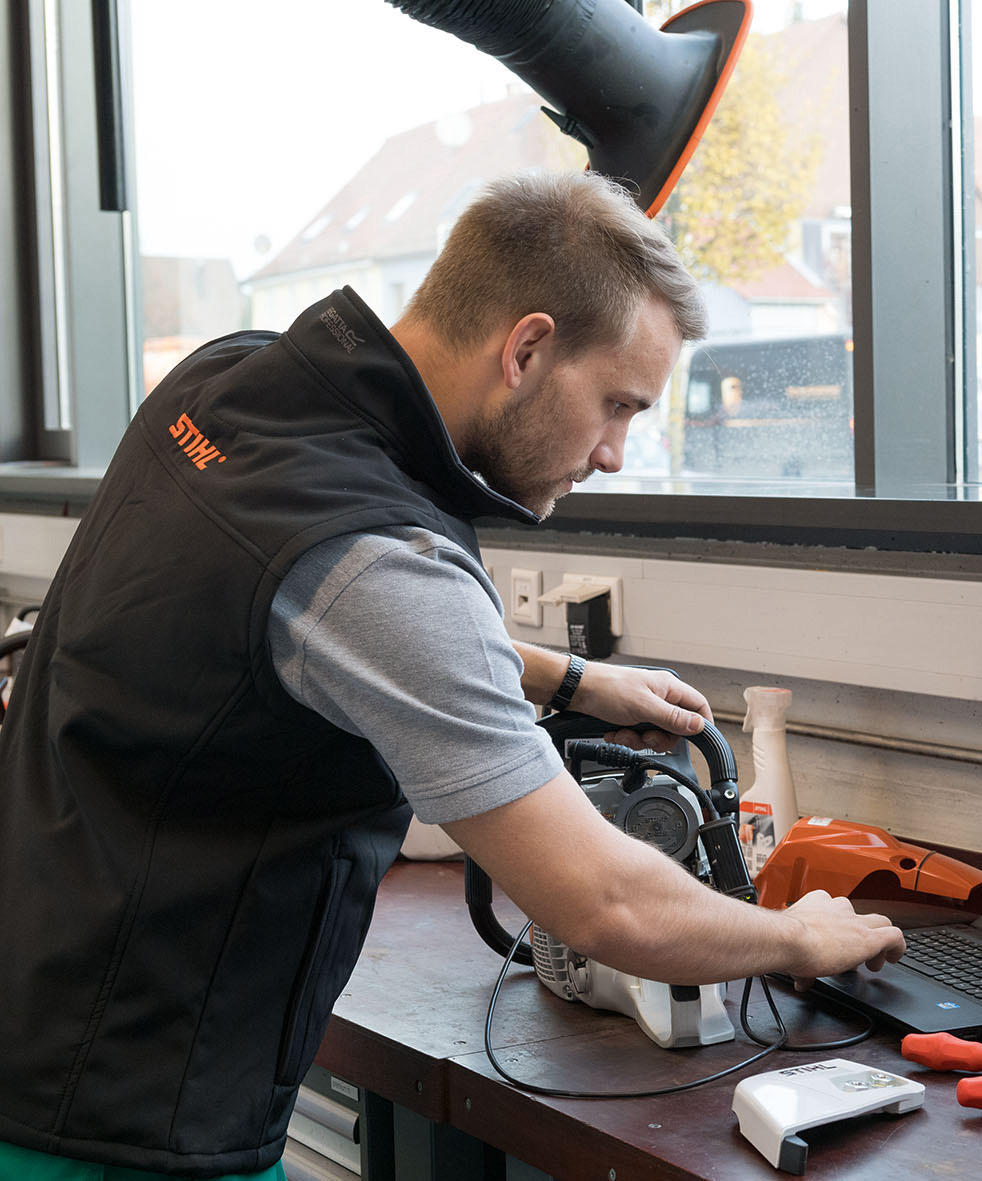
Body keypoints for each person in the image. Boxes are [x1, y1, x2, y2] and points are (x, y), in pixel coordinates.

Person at [0, 170, 904, 1180]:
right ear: (525, 350)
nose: (614, 452)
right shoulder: (381, 563)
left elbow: (270, 614)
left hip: (38, 997)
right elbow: (605, 903)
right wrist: (795, 935)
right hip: (121, 1114)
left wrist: (567, 678)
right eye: (616, 404)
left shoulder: (230, 383)